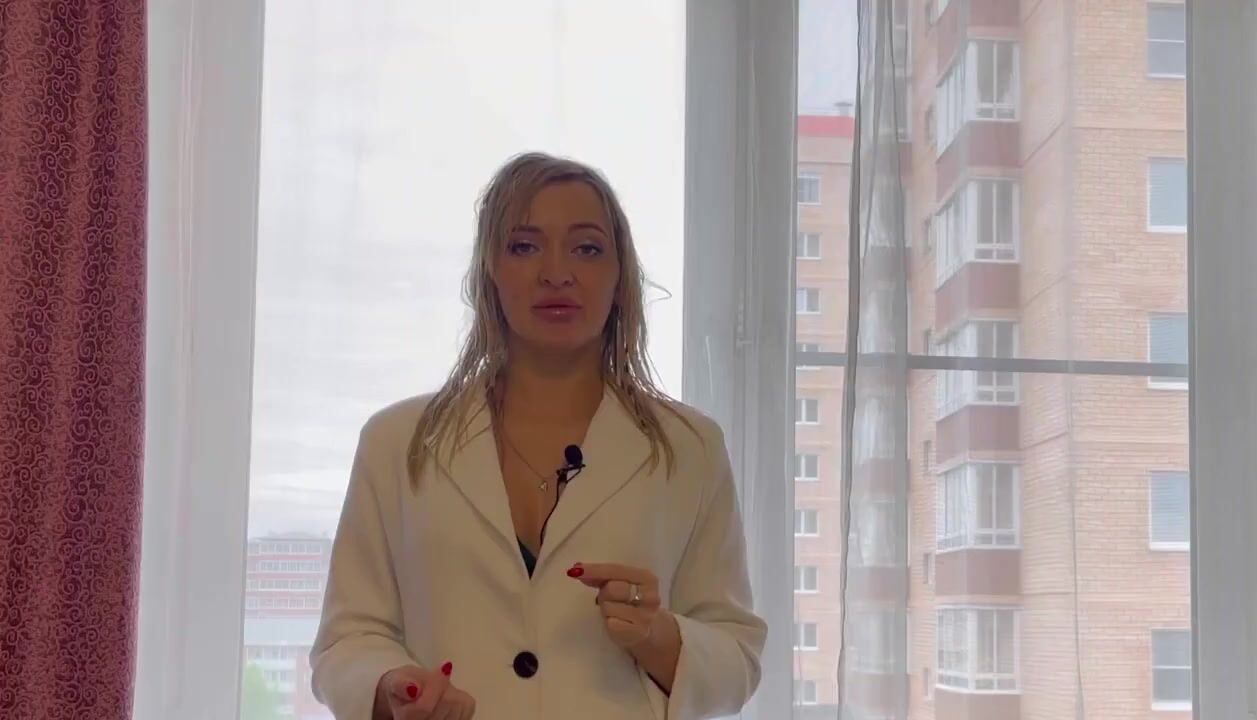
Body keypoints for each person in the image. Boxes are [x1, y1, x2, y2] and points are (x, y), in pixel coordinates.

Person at [309, 152, 766, 720]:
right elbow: (347, 639)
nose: (557, 273)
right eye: (524, 246)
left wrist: (659, 636)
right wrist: (390, 686)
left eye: (587, 248)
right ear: (489, 273)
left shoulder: (690, 449)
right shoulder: (397, 443)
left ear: (620, 277)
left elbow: (737, 654)